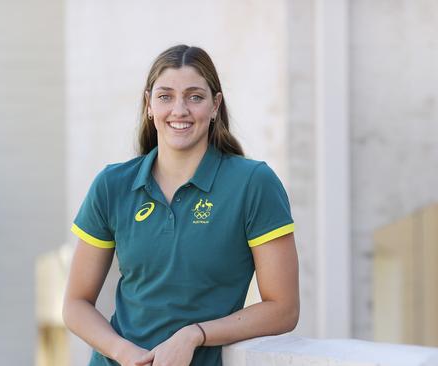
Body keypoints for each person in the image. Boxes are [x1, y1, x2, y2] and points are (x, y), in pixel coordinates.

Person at [62, 44, 300, 366]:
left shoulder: (253, 184)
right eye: (165, 96)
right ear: (149, 105)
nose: (179, 110)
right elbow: (75, 304)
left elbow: (283, 308)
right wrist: (124, 353)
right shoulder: (112, 185)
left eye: (194, 96)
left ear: (215, 105)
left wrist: (195, 334)